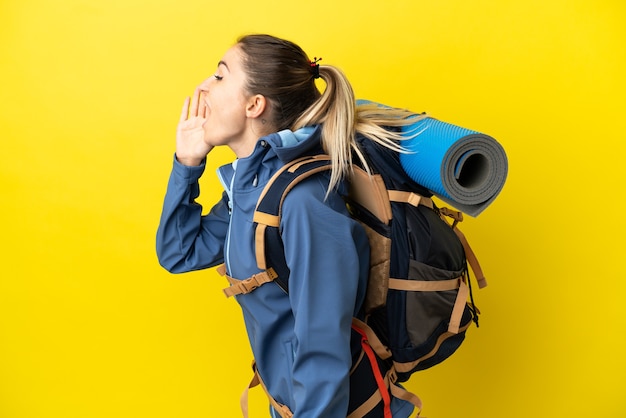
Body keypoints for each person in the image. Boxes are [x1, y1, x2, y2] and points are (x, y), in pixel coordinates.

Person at [156, 34, 419, 417]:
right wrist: (187, 163)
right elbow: (179, 252)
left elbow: (322, 347)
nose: (202, 87)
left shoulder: (303, 202)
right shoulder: (250, 190)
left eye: (219, 76)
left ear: (254, 104)